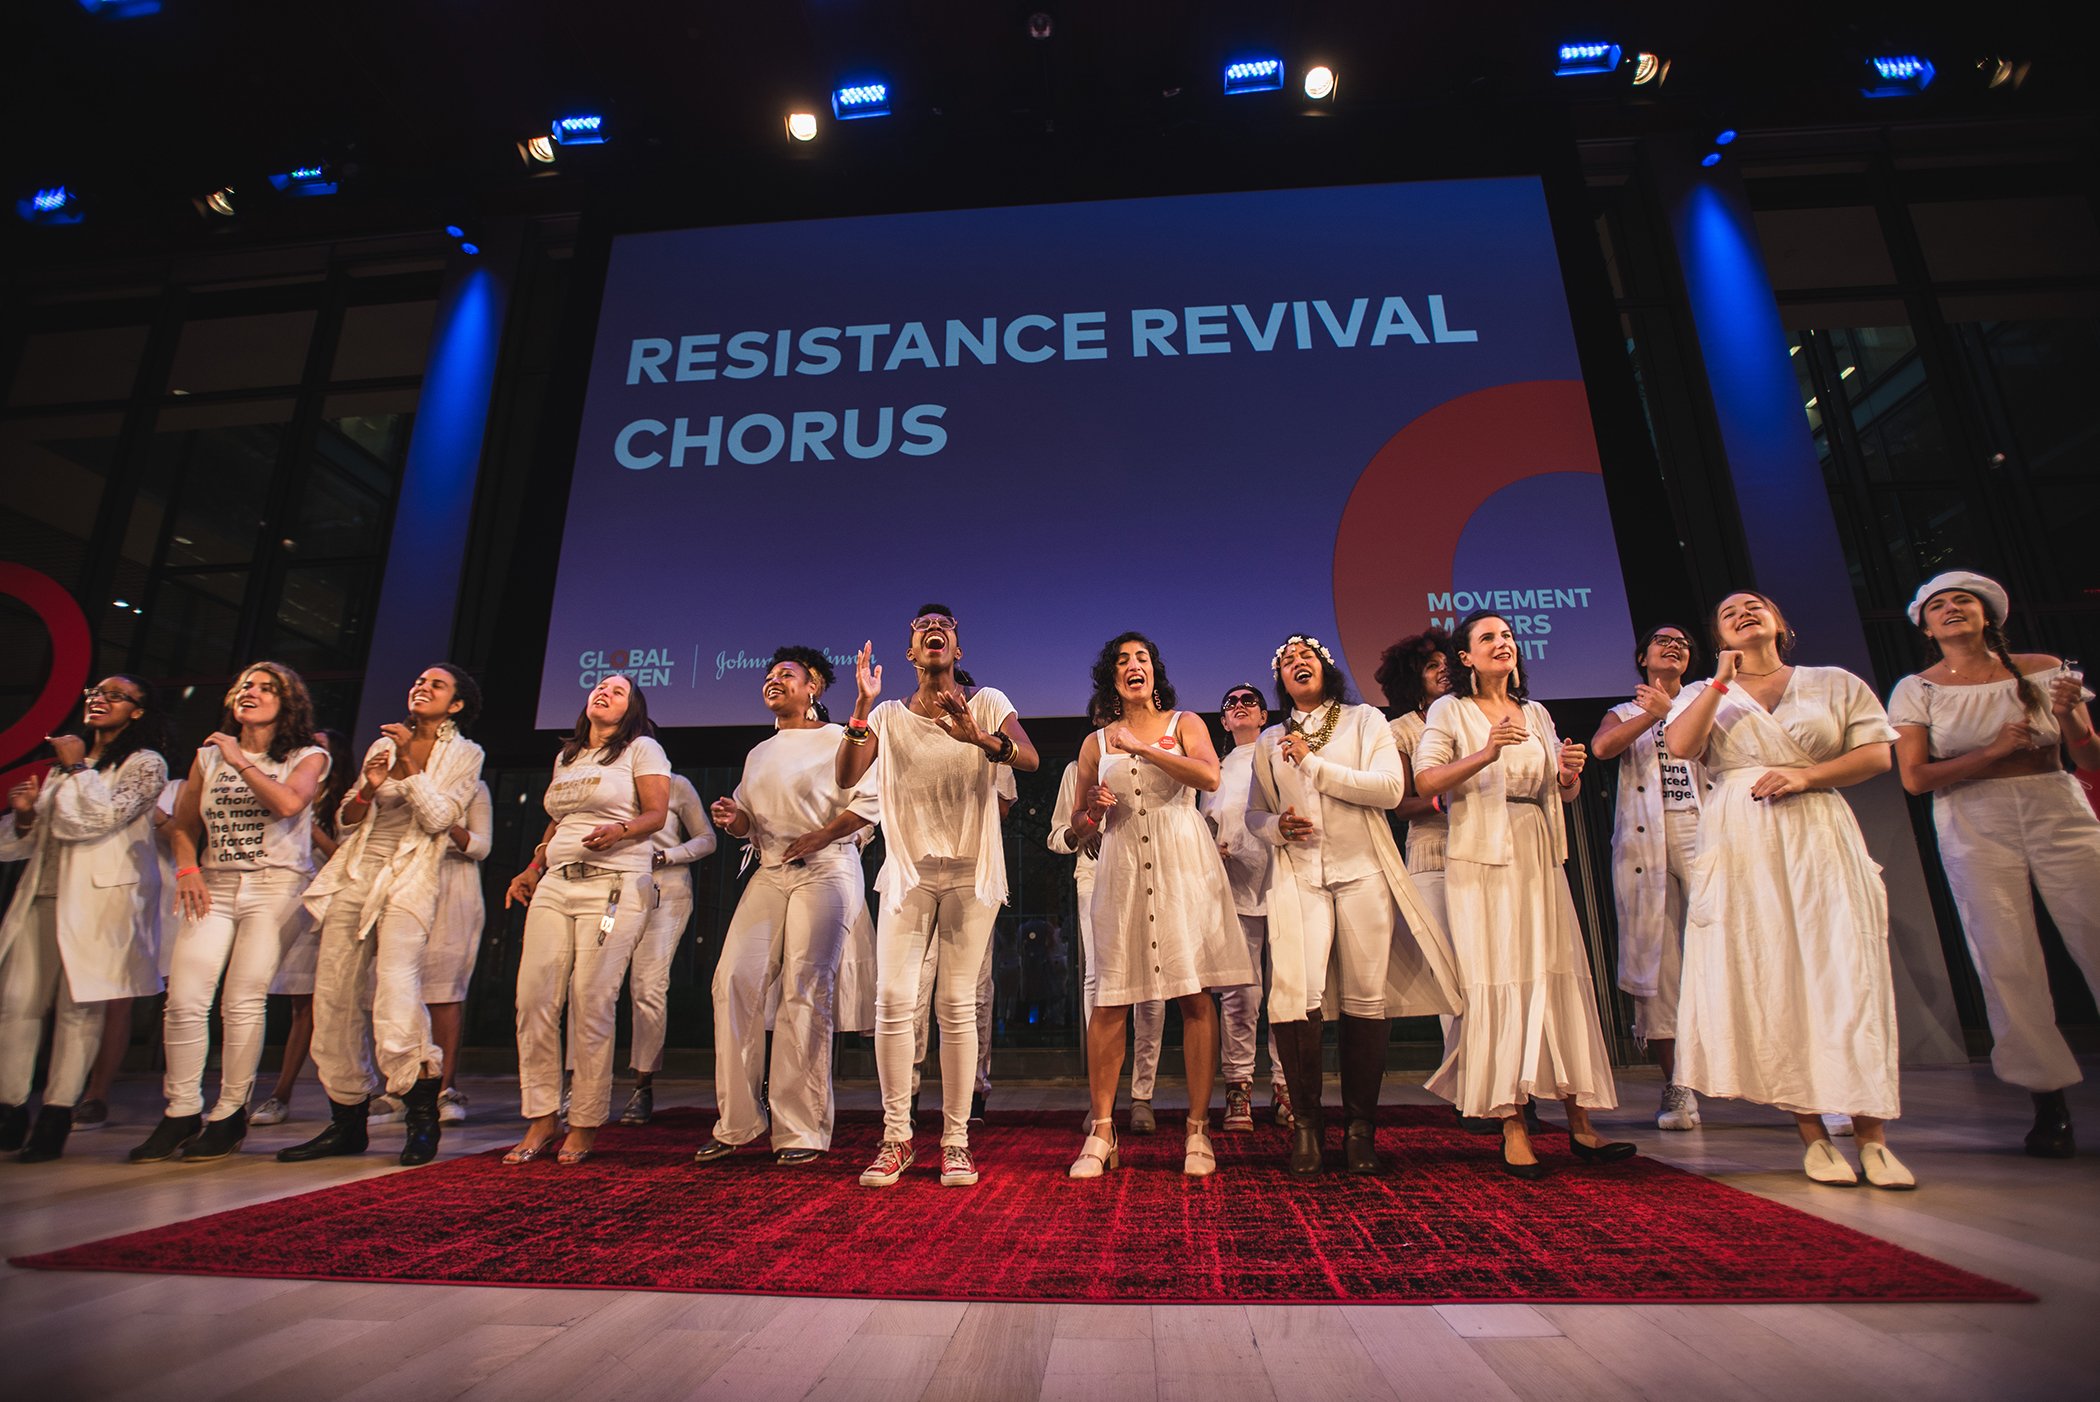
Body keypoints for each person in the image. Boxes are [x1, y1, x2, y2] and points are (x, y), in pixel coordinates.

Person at [1665, 591, 1912, 1188]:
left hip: (1818, 830)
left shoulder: (1833, 682)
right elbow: (1681, 747)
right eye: (1729, 613)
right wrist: (1720, 682)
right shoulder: (1704, 691)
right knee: (1772, 975)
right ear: (1719, 637)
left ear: (1779, 622)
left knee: (1846, 972)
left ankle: (1873, 1136)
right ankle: (1812, 1135)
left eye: (1754, 605)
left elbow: (1877, 755)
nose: (1743, 614)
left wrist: (1807, 776)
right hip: (1743, 835)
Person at [1889, 571, 2100, 1158]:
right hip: (1972, 816)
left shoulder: (2042, 668)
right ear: (1925, 626)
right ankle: (2047, 1099)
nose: (1952, 608)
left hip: (2055, 802)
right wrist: (1995, 751)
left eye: (1964, 600)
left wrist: (2073, 719)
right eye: (1938, 605)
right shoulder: (1918, 688)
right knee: (2004, 953)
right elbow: (1915, 778)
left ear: (1989, 615)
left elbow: (2087, 755)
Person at [1416, 612, 1633, 1181]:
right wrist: (1486, 752)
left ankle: (1580, 1122)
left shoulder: (1535, 713)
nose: (1502, 643)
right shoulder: (1450, 710)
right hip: (1481, 858)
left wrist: (1568, 776)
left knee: (1555, 970)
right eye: (1488, 637)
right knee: (1499, 976)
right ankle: (1512, 1123)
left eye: (1508, 635)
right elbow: (1425, 781)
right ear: (1465, 657)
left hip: (1537, 851)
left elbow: (1557, 791)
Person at [837, 605, 1038, 1188]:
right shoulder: (887, 715)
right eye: (923, 626)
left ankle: (955, 1141)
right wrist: (860, 706)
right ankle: (896, 1137)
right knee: (892, 999)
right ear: (910, 653)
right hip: (911, 870)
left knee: (955, 1002)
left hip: (972, 870)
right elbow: (847, 776)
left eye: (944, 626)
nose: (934, 629)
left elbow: (1028, 757)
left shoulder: (988, 702)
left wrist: (980, 738)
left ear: (957, 649)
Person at [1248, 634, 1462, 1176]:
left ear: (1326, 668)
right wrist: (1275, 826)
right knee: (1295, 994)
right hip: (1300, 874)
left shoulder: (1364, 721)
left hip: (1363, 870)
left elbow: (1389, 791)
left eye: (1307, 657)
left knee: (1367, 996)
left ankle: (1361, 1129)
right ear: (1280, 679)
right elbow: (1254, 814)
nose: (1298, 664)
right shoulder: (1269, 739)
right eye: (1288, 661)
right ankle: (1307, 1127)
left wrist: (1314, 765)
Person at [279, 666, 486, 1167]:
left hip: (412, 876)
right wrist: (370, 788)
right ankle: (346, 1119)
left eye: (436, 685)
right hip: (358, 872)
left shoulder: (466, 754)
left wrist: (410, 769)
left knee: (396, 989)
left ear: (456, 705)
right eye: (418, 681)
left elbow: (440, 819)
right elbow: (347, 820)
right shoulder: (383, 744)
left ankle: (421, 1112)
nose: (422, 687)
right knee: (334, 994)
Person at [1066, 632, 1251, 1178]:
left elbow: (1209, 775)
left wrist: (1146, 750)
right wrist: (1092, 812)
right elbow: (1078, 826)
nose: (1133, 666)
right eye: (1123, 661)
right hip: (1122, 869)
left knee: (1194, 994)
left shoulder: (1184, 723)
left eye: (1142, 658)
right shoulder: (1094, 744)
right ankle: (1103, 1130)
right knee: (1110, 999)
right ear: (1113, 678)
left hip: (1182, 867)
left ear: (1154, 672)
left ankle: (1197, 1129)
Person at [136, 662, 330, 1162]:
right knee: (184, 999)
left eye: (266, 688)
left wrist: (239, 759)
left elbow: (288, 804)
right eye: (245, 685)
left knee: (242, 1000)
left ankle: (228, 1114)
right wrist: (187, 869)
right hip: (214, 884)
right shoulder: (208, 757)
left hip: (276, 885)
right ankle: (181, 1111)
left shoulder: (307, 755)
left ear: (287, 703)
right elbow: (183, 826)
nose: (252, 692)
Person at [694, 646, 874, 1165]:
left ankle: (800, 1130)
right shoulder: (759, 753)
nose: (773, 680)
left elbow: (869, 803)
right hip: (772, 870)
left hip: (828, 867)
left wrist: (822, 835)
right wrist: (734, 818)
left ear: (813, 685)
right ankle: (737, 1122)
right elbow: (750, 823)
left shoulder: (841, 737)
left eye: (786, 674)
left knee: (804, 987)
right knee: (733, 979)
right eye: (769, 676)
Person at [502, 674, 670, 1166]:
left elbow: (656, 814)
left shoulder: (642, 750)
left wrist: (621, 829)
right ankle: (541, 1116)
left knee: (591, 999)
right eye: (599, 687)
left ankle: (584, 1121)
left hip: (614, 886)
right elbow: (560, 821)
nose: (604, 693)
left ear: (632, 709)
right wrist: (533, 867)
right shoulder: (568, 757)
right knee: (534, 998)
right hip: (556, 883)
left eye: (617, 691)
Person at [0, 677, 168, 1162]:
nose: (99, 699)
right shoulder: (64, 767)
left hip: (98, 901)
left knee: (79, 1009)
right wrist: (26, 816)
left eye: (115, 695)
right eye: (96, 692)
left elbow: (98, 820)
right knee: (17, 1003)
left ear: (137, 711)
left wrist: (76, 767)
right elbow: (33, 839)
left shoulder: (145, 764)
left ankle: (56, 1116)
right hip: (43, 895)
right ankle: (10, 1108)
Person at [1591, 625, 1711, 1131]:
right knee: (1657, 959)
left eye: (1682, 642)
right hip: (1645, 838)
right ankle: (1678, 1085)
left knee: (1736, 943)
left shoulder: (1710, 699)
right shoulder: (1625, 711)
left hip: (1705, 826)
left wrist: (1677, 711)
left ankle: (1800, 1084)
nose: (1674, 645)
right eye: (1663, 640)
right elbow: (1602, 748)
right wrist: (1654, 713)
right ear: (1643, 657)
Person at [1048, 701, 1167, 1134]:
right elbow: (1058, 835)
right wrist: (1084, 830)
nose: (1112, 723)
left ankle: (1142, 1095)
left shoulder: (1157, 758)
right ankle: (1104, 1098)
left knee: (1153, 982)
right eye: (1104, 717)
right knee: (1100, 980)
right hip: (1095, 878)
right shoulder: (1077, 769)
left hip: (1149, 875)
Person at [251, 727, 351, 1127]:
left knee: (306, 1005)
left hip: (320, 906)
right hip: (277, 896)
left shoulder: (343, 803)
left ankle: (282, 1093)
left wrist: (310, 826)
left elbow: (347, 857)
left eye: (320, 747)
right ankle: (238, 1092)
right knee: (254, 991)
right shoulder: (277, 789)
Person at [1200, 683, 1288, 1133]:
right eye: (1230, 703)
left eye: (1248, 701)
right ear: (1223, 720)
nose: (1238, 706)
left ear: (1263, 715)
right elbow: (1204, 825)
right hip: (1235, 890)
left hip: (1285, 884)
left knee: (1288, 991)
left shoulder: (1281, 755)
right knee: (1241, 995)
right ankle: (1238, 1087)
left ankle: (1286, 1086)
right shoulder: (1215, 770)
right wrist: (1211, 850)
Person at [613, 770, 716, 1126]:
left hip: (666, 891)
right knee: (591, 985)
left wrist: (666, 855)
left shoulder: (676, 784)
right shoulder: (607, 780)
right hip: (611, 890)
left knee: (648, 985)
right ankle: (579, 1082)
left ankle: (642, 1085)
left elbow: (706, 839)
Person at [424, 778, 492, 1124]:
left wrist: (443, 821)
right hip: (403, 880)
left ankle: (444, 1087)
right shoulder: (399, 781)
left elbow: (480, 846)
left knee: (444, 991)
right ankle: (401, 1086)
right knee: (395, 989)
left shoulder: (472, 787)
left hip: (452, 885)